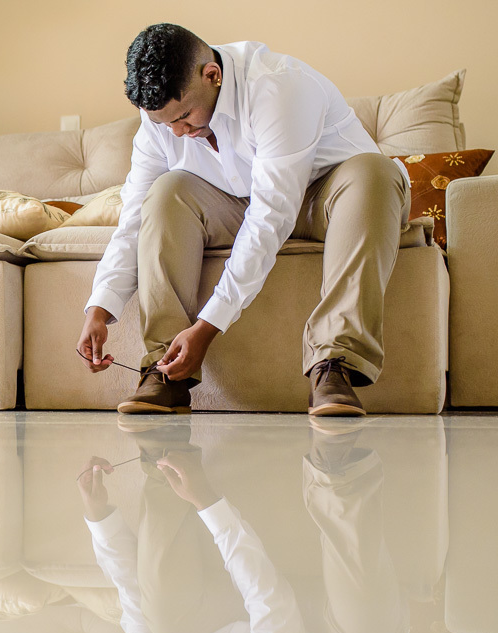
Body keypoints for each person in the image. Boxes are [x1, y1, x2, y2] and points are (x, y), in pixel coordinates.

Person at [77, 24, 410, 416]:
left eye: (184, 117)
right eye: (165, 123)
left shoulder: (279, 87)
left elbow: (271, 217)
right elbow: (133, 217)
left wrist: (208, 326)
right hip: (239, 203)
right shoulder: (161, 124)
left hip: (331, 200)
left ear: (212, 75)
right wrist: (98, 309)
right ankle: (165, 369)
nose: (178, 133)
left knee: (375, 172)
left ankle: (333, 365)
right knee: (165, 191)